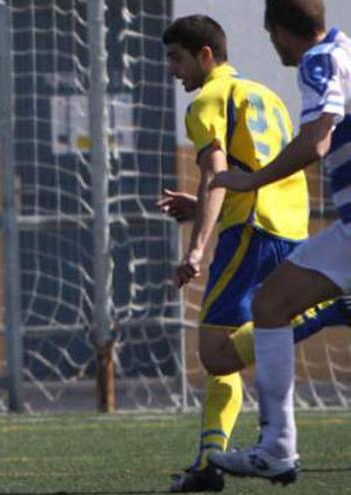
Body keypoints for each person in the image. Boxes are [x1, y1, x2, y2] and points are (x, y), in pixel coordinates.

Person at [160, 15, 350, 492]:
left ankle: (329, 311)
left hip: (248, 230)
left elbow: (217, 173)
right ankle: (210, 460)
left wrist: (198, 246)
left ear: (206, 56)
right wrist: (204, 206)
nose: (173, 71)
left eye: (177, 59)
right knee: (242, 331)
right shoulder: (265, 94)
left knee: (217, 353)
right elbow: (270, 161)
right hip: (289, 223)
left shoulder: (207, 99)